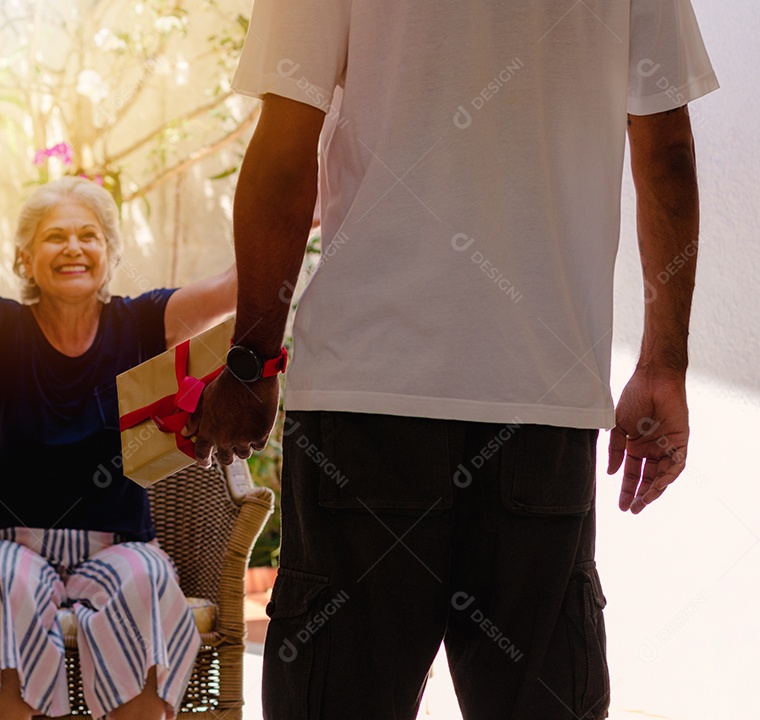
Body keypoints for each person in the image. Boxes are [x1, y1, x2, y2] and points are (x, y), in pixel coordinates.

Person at [184, 2, 718, 719]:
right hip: (540, 403)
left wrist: (252, 362)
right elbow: (667, 150)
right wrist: (662, 365)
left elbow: (286, 147)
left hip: (366, 401)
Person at [0, 145, 236, 720]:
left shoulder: (144, 324)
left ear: (109, 253)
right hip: (10, 543)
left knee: (148, 585)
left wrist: (293, 223)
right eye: (55, 237)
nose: (73, 248)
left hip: (120, 545)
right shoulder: (2, 330)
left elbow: (232, 288)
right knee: (0, 590)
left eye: (89, 236)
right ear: (26, 258)